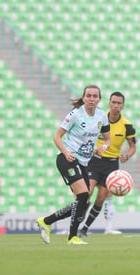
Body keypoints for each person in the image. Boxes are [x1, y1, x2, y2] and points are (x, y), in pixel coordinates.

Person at [36, 85, 111, 245]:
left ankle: (47, 221)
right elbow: (57, 136)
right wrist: (65, 152)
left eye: (95, 96)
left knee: (84, 202)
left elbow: (108, 139)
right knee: (83, 196)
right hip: (67, 159)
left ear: (99, 99)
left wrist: (103, 147)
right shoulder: (75, 115)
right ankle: (72, 237)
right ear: (83, 98)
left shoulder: (102, 116)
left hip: (84, 162)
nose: (91, 99)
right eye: (88, 96)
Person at [80, 92, 136, 236]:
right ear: (109, 103)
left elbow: (133, 146)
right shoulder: (99, 118)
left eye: (119, 103)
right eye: (113, 102)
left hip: (112, 166)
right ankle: (75, 225)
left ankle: (84, 229)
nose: (116, 105)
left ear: (122, 106)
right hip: (95, 161)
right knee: (87, 192)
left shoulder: (127, 125)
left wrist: (127, 156)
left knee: (101, 198)